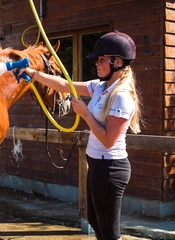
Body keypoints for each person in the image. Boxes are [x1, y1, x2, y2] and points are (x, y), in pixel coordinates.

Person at [19, 31, 143, 240]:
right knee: (95, 222)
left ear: (117, 62)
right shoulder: (101, 87)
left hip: (110, 168)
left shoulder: (121, 97)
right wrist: (33, 73)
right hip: (97, 164)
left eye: (102, 60)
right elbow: (65, 85)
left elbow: (108, 139)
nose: (97, 63)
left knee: (109, 231)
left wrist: (85, 113)